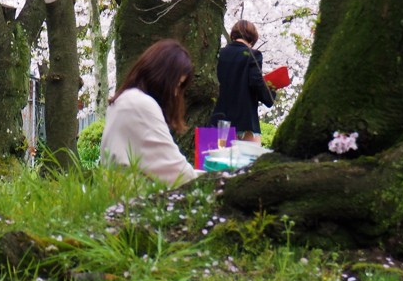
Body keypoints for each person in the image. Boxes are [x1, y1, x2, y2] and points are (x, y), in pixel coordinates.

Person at [99, 39, 198, 187]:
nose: (176, 93)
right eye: (176, 85)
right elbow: (175, 170)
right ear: (162, 76)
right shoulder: (140, 105)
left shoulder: (124, 99)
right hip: (135, 201)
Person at [210, 20, 274, 144]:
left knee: (216, 160)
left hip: (217, 118)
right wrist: (270, 94)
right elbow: (256, 82)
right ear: (253, 38)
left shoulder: (218, 54)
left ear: (233, 35)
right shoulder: (252, 55)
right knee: (249, 160)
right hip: (244, 120)